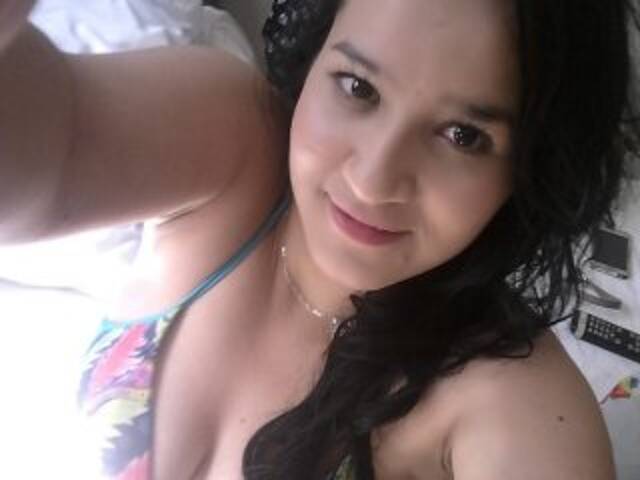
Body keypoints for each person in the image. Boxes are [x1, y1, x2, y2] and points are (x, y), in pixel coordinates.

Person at [1, 0, 638, 478]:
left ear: (528, 169)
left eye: (463, 136)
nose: (373, 179)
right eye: (359, 87)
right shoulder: (235, 144)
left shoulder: (515, 400)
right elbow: (49, 152)